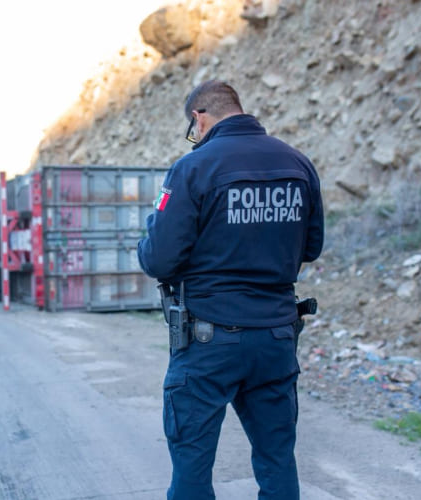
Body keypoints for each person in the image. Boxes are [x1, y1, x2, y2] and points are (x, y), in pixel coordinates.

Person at [137, 80, 324, 500]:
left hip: (209, 342)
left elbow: (159, 260)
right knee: (277, 460)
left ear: (199, 117)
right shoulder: (298, 163)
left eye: (193, 127)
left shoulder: (194, 167)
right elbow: (311, 247)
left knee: (192, 467)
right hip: (276, 336)